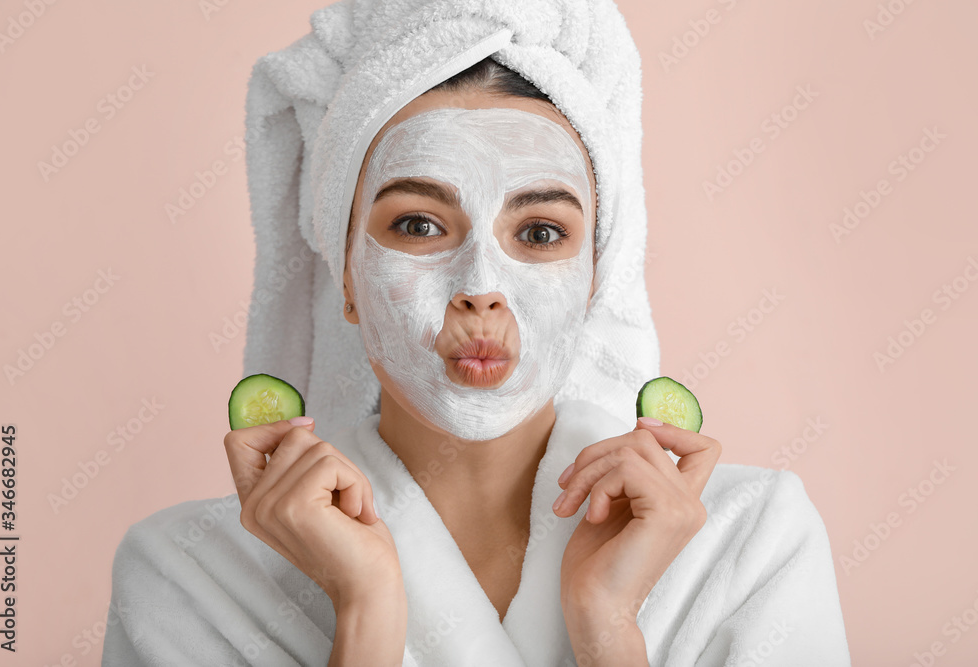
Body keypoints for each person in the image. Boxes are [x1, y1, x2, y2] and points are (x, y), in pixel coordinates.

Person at [101, 2, 852, 666]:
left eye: (539, 230)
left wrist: (609, 627)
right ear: (348, 278)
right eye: (420, 224)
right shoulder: (188, 574)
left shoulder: (750, 541)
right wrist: (364, 614)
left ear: (595, 280)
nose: (480, 287)